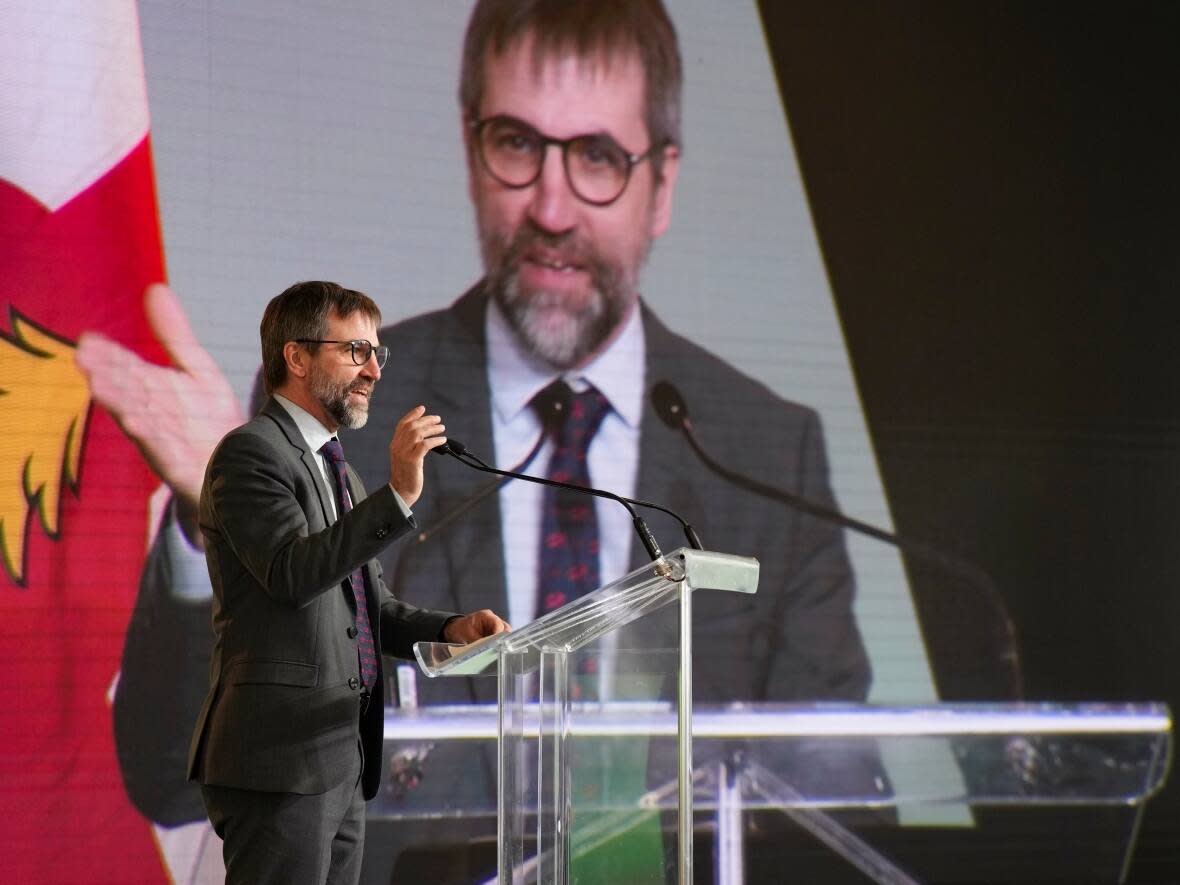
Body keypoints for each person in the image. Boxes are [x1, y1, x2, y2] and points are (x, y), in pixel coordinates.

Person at [81, 0, 882, 866]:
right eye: (518, 144)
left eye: (600, 158)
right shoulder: (351, 409)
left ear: (663, 184)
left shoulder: (765, 447)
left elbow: (832, 794)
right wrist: (215, 528)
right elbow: (172, 774)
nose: (552, 207)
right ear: (471, 151)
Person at [184, 279, 509, 884]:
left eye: (376, 353)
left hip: (341, 762)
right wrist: (399, 496)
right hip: (279, 762)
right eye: (355, 351)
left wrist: (450, 629)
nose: (374, 370)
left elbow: (369, 609)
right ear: (297, 356)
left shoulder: (340, 475)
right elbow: (291, 573)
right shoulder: (250, 455)